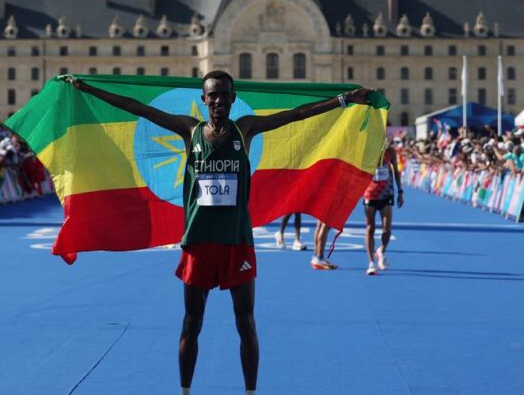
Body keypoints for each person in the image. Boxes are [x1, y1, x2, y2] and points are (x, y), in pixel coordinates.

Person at [68, 71, 371, 394]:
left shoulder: (246, 129)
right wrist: (88, 89)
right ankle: (185, 391)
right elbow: (139, 108)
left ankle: (250, 391)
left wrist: (344, 100)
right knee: (191, 323)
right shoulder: (190, 130)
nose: (218, 100)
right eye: (212, 95)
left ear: (233, 97)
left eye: (224, 94)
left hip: (236, 241)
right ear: (204, 100)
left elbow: (295, 115)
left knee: (246, 323)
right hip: (198, 242)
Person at [363, 143, 404, 276]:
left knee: (387, 229)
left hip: (386, 193)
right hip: (370, 194)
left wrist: (400, 191)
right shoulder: (365, 149)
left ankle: (381, 250)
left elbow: (396, 172)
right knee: (370, 228)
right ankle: (370, 263)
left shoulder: (390, 151)